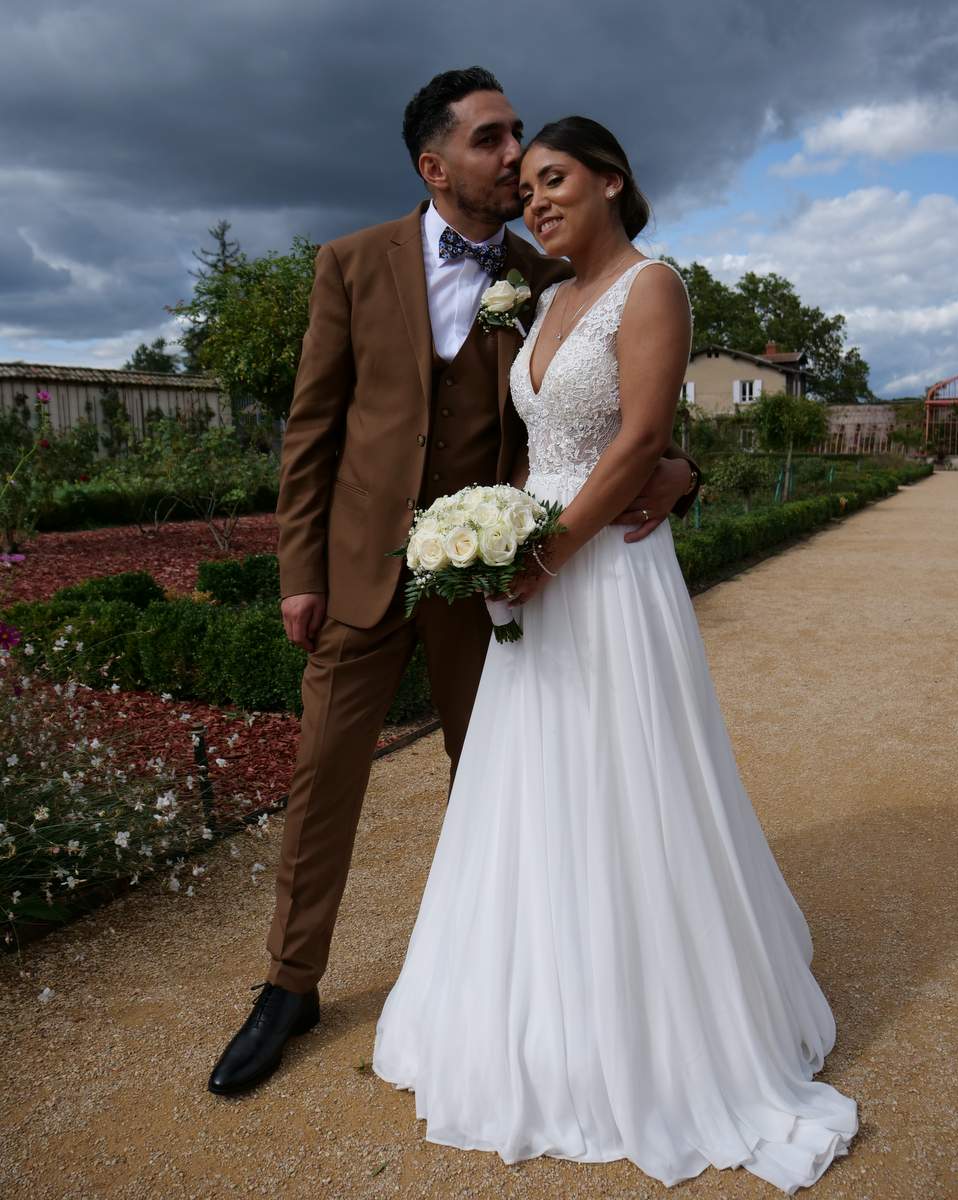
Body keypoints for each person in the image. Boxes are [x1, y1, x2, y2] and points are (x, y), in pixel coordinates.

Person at [371, 116, 858, 1194]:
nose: (535, 199)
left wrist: (548, 545)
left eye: (554, 180)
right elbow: (539, 440)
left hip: (600, 568)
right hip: (536, 566)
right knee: (532, 780)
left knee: (627, 774)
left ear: (610, 182)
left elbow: (638, 437)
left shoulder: (654, 285)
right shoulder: (541, 302)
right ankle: (539, 1000)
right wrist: (505, 541)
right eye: (525, 187)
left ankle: (653, 1023)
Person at [208, 71, 700, 1096]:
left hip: (492, 584)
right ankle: (288, 987)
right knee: (322, 785)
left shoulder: (550, 271)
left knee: (510, 785)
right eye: (491, 139)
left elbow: (610, 414)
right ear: (434, 164)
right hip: (358, 574)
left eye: (520, 137)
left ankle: (535, 981)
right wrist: (300, 570)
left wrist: (684, 469)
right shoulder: (348, 265)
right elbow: (312, 428)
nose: (512, 155)